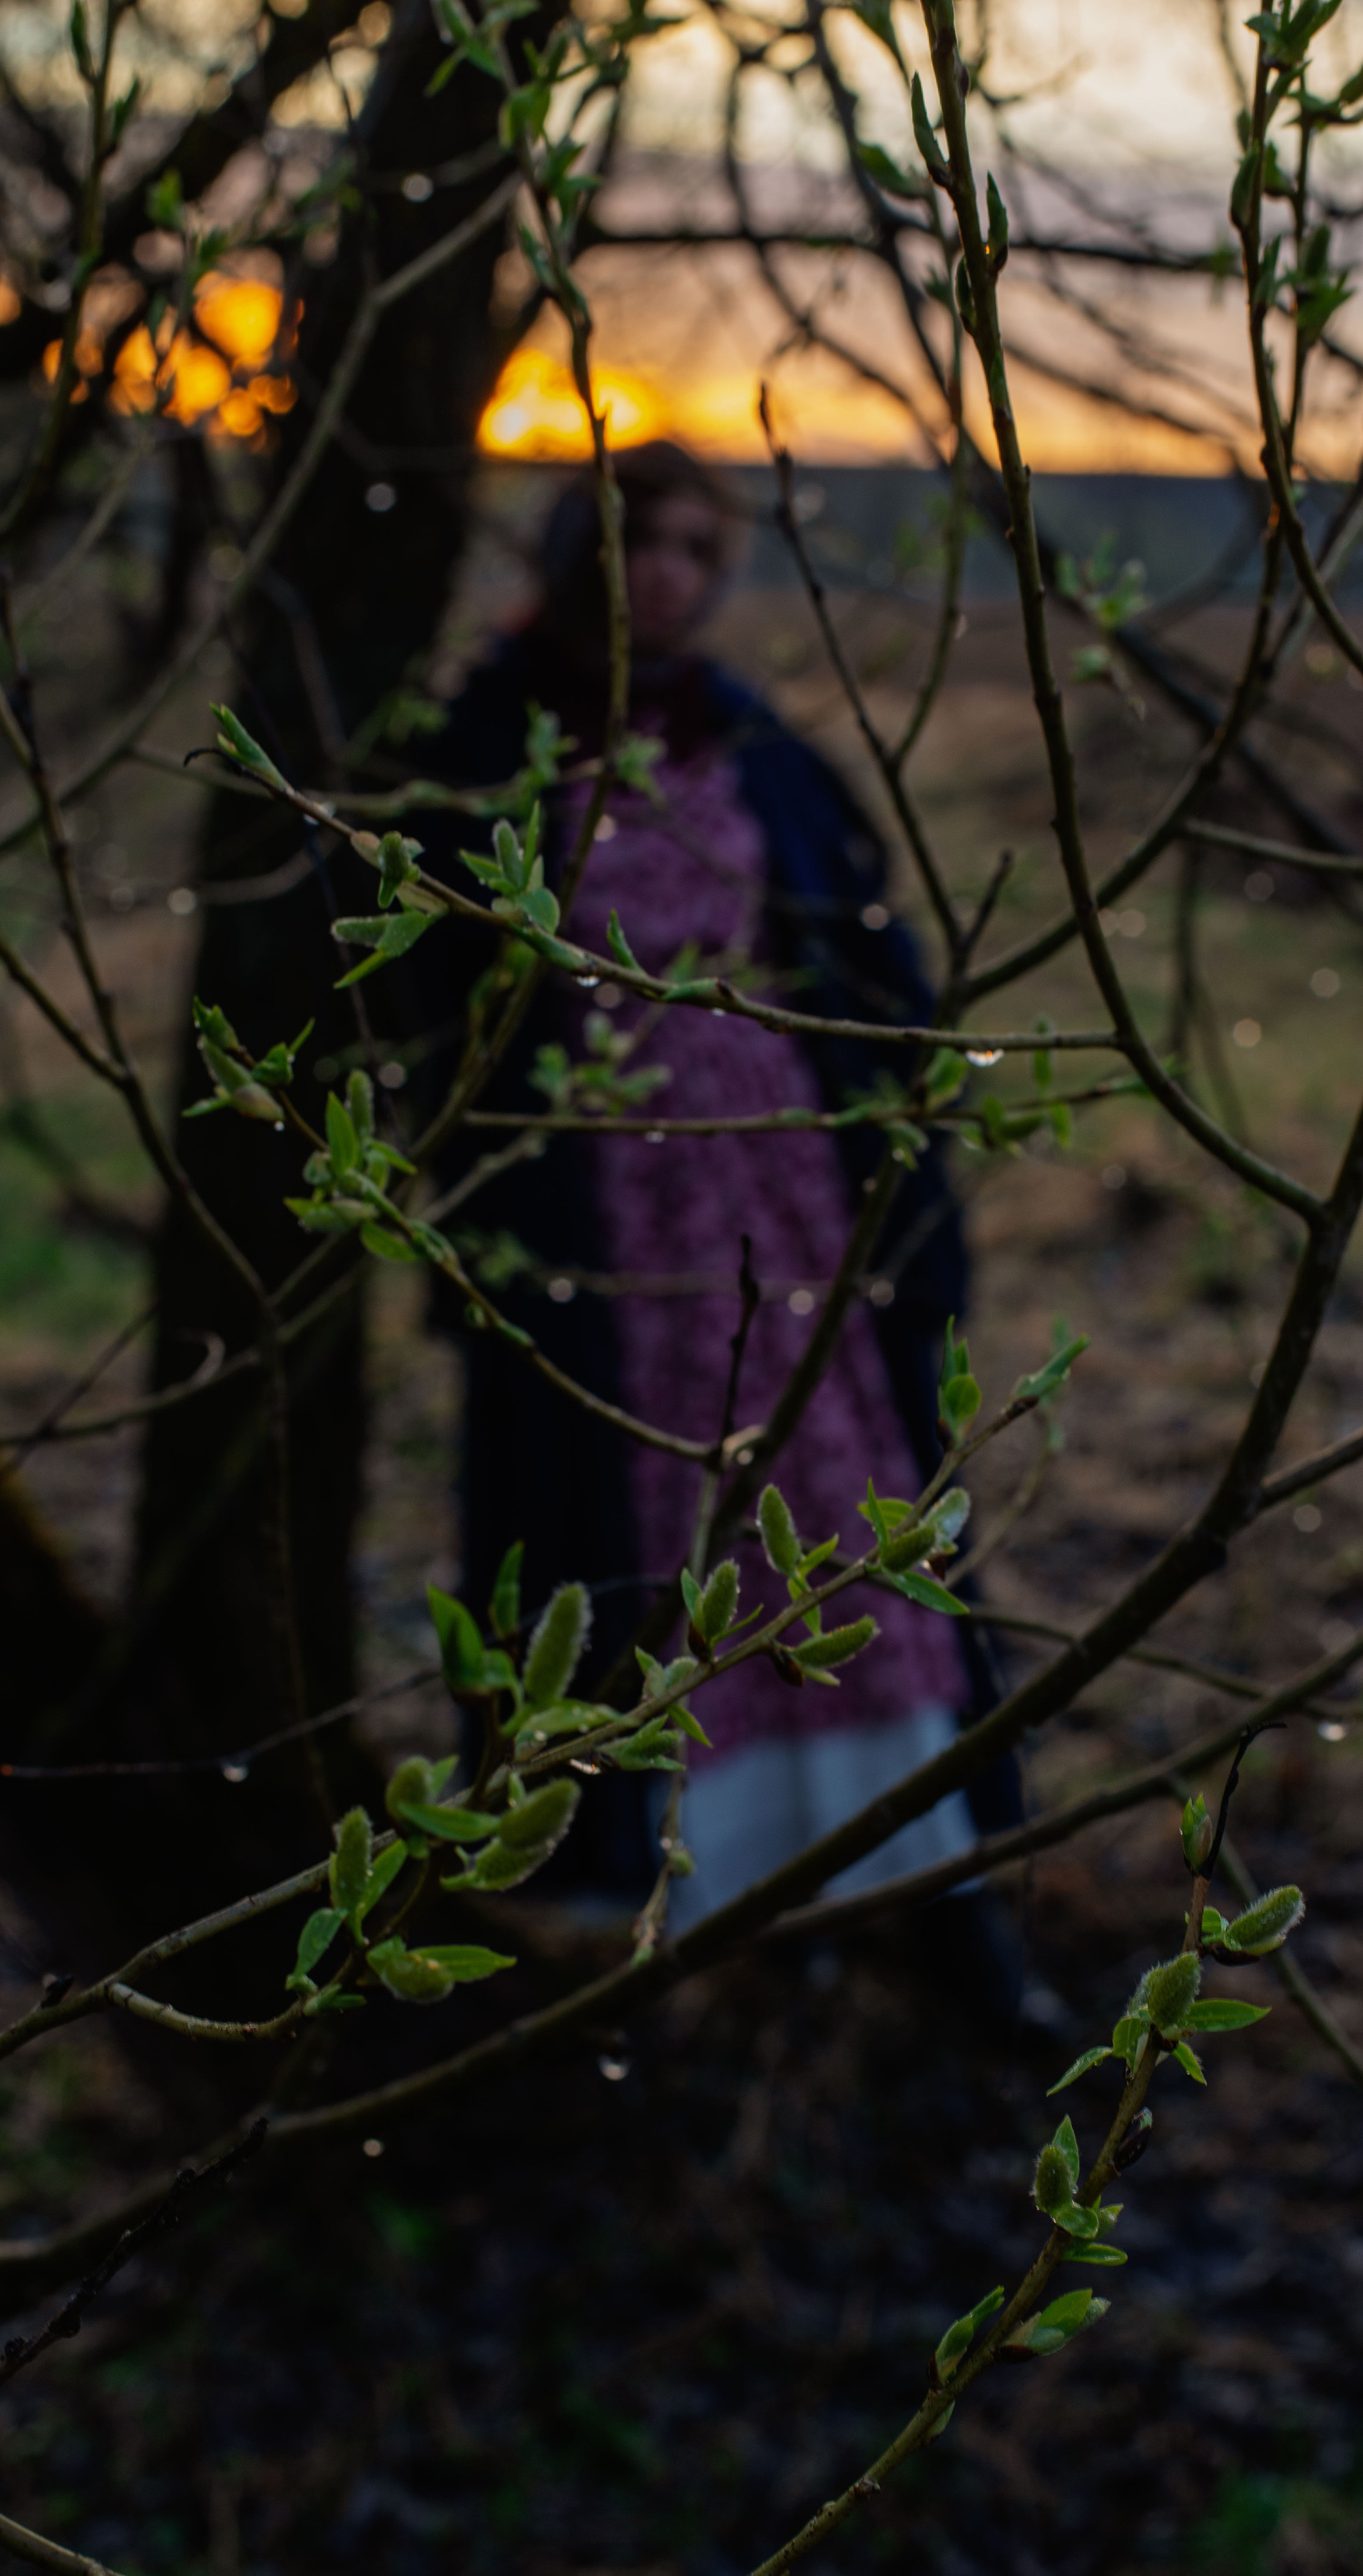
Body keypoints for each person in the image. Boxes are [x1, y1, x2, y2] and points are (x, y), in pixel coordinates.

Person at [408, 441, 1014, 1934]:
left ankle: (903, 1870)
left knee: (830, 1509)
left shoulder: (748, 745)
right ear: (573, 557)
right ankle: (677, 1876)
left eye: (695, 546)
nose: (667, 573)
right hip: (604, 1231)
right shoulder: (484, 749)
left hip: (782, 1204)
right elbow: (431, 1013)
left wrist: (901, 1185)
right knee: (643, 1533)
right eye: (636, 542)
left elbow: (862, 968)